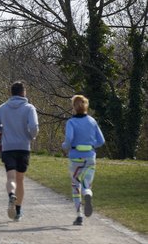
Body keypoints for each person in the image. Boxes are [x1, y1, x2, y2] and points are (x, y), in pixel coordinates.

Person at [0, 81, 39, 222]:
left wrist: (4, 128)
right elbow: (34, 126)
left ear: (11, 93)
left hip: (8, 147)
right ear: (23, 92)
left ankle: (11, 194)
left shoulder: (2, 108)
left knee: (10, 178)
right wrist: (31, 136)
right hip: (23, 146)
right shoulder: (29, 108)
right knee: (20, 179)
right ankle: (18, 211)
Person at [62, 95, 105, 226]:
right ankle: (88, 193)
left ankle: (79, 215)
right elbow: (101, 141)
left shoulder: (71, 122)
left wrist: (64, 146)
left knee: (76, 185)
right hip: (90, 156)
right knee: (87, 182)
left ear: (73, 107)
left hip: (75, 156)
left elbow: (69, 140)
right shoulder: (92, 121)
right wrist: (91, 146)